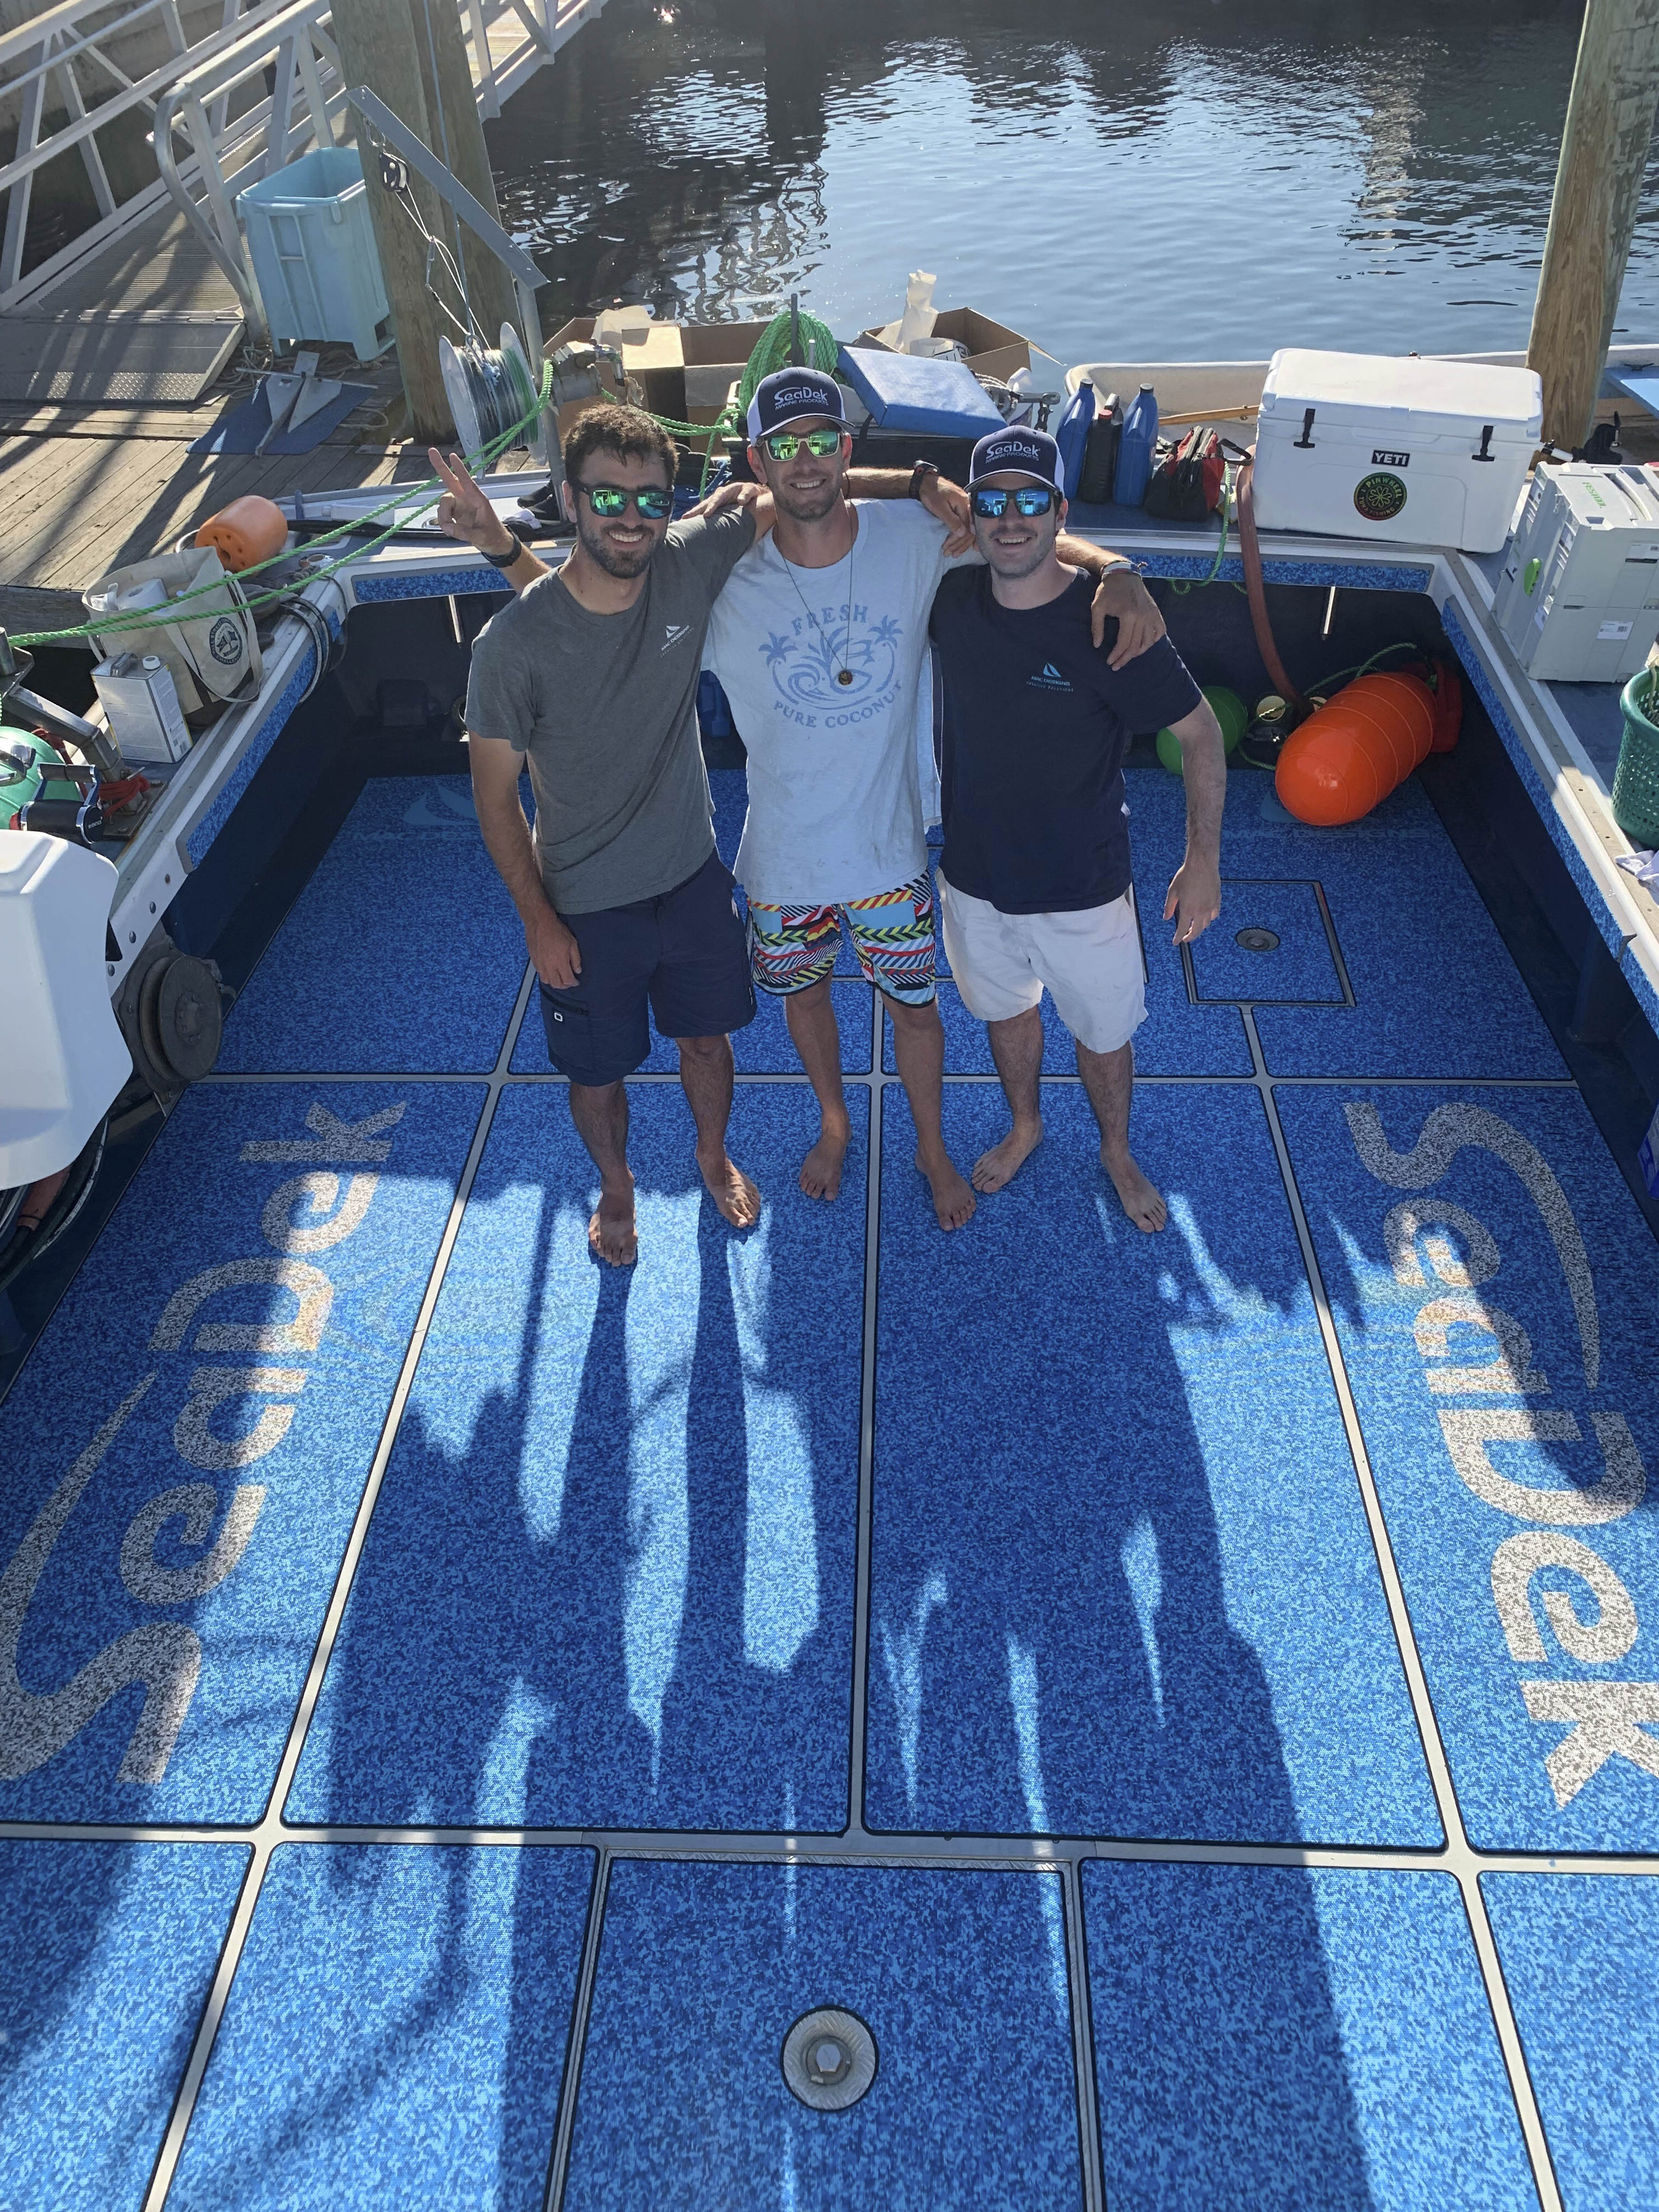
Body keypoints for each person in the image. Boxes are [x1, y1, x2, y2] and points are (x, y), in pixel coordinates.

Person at [440, 399, 983, 1265]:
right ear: (570, 500)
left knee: (711, 1039)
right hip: (590, 901)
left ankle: (722, 1153)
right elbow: (499, 794)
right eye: (607, 499)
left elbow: (802, 489)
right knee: (598, 1072)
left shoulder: (691, 561)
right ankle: (617, 1192)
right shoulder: (513, 645)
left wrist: (922, 480)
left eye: (650, 499)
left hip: (698, 877)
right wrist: (538, 921)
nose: (630, 517)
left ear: (673, 503)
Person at [703, 367, 1166, 1231]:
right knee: (804, 1001)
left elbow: (1017, 531)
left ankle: (931, 1147)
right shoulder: (720, 567)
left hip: (891, 856)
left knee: (916, 1010)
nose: (804, 462)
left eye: (820, 441)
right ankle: (835, 1125)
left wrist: (1117, 564)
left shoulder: (916, 532)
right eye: (782, 447)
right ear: (756, 461)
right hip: (781, 863)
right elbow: (610, 601)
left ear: (847, 448)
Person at [927, 426, 1226, 1232]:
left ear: (1060, 511)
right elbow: (844, 498)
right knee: (1006, 1014)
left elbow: (1202, 733)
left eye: (1032, 501)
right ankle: (1025, 1125)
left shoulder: (1110, 624)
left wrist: (1203, 862)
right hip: (973, 880)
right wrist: (1118, 560)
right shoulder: (952, 598)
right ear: (974, 515)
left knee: (1102, 1034)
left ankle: (1116, 1149)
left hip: (1084, 888)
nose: (1012, 520)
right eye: (994, 502)